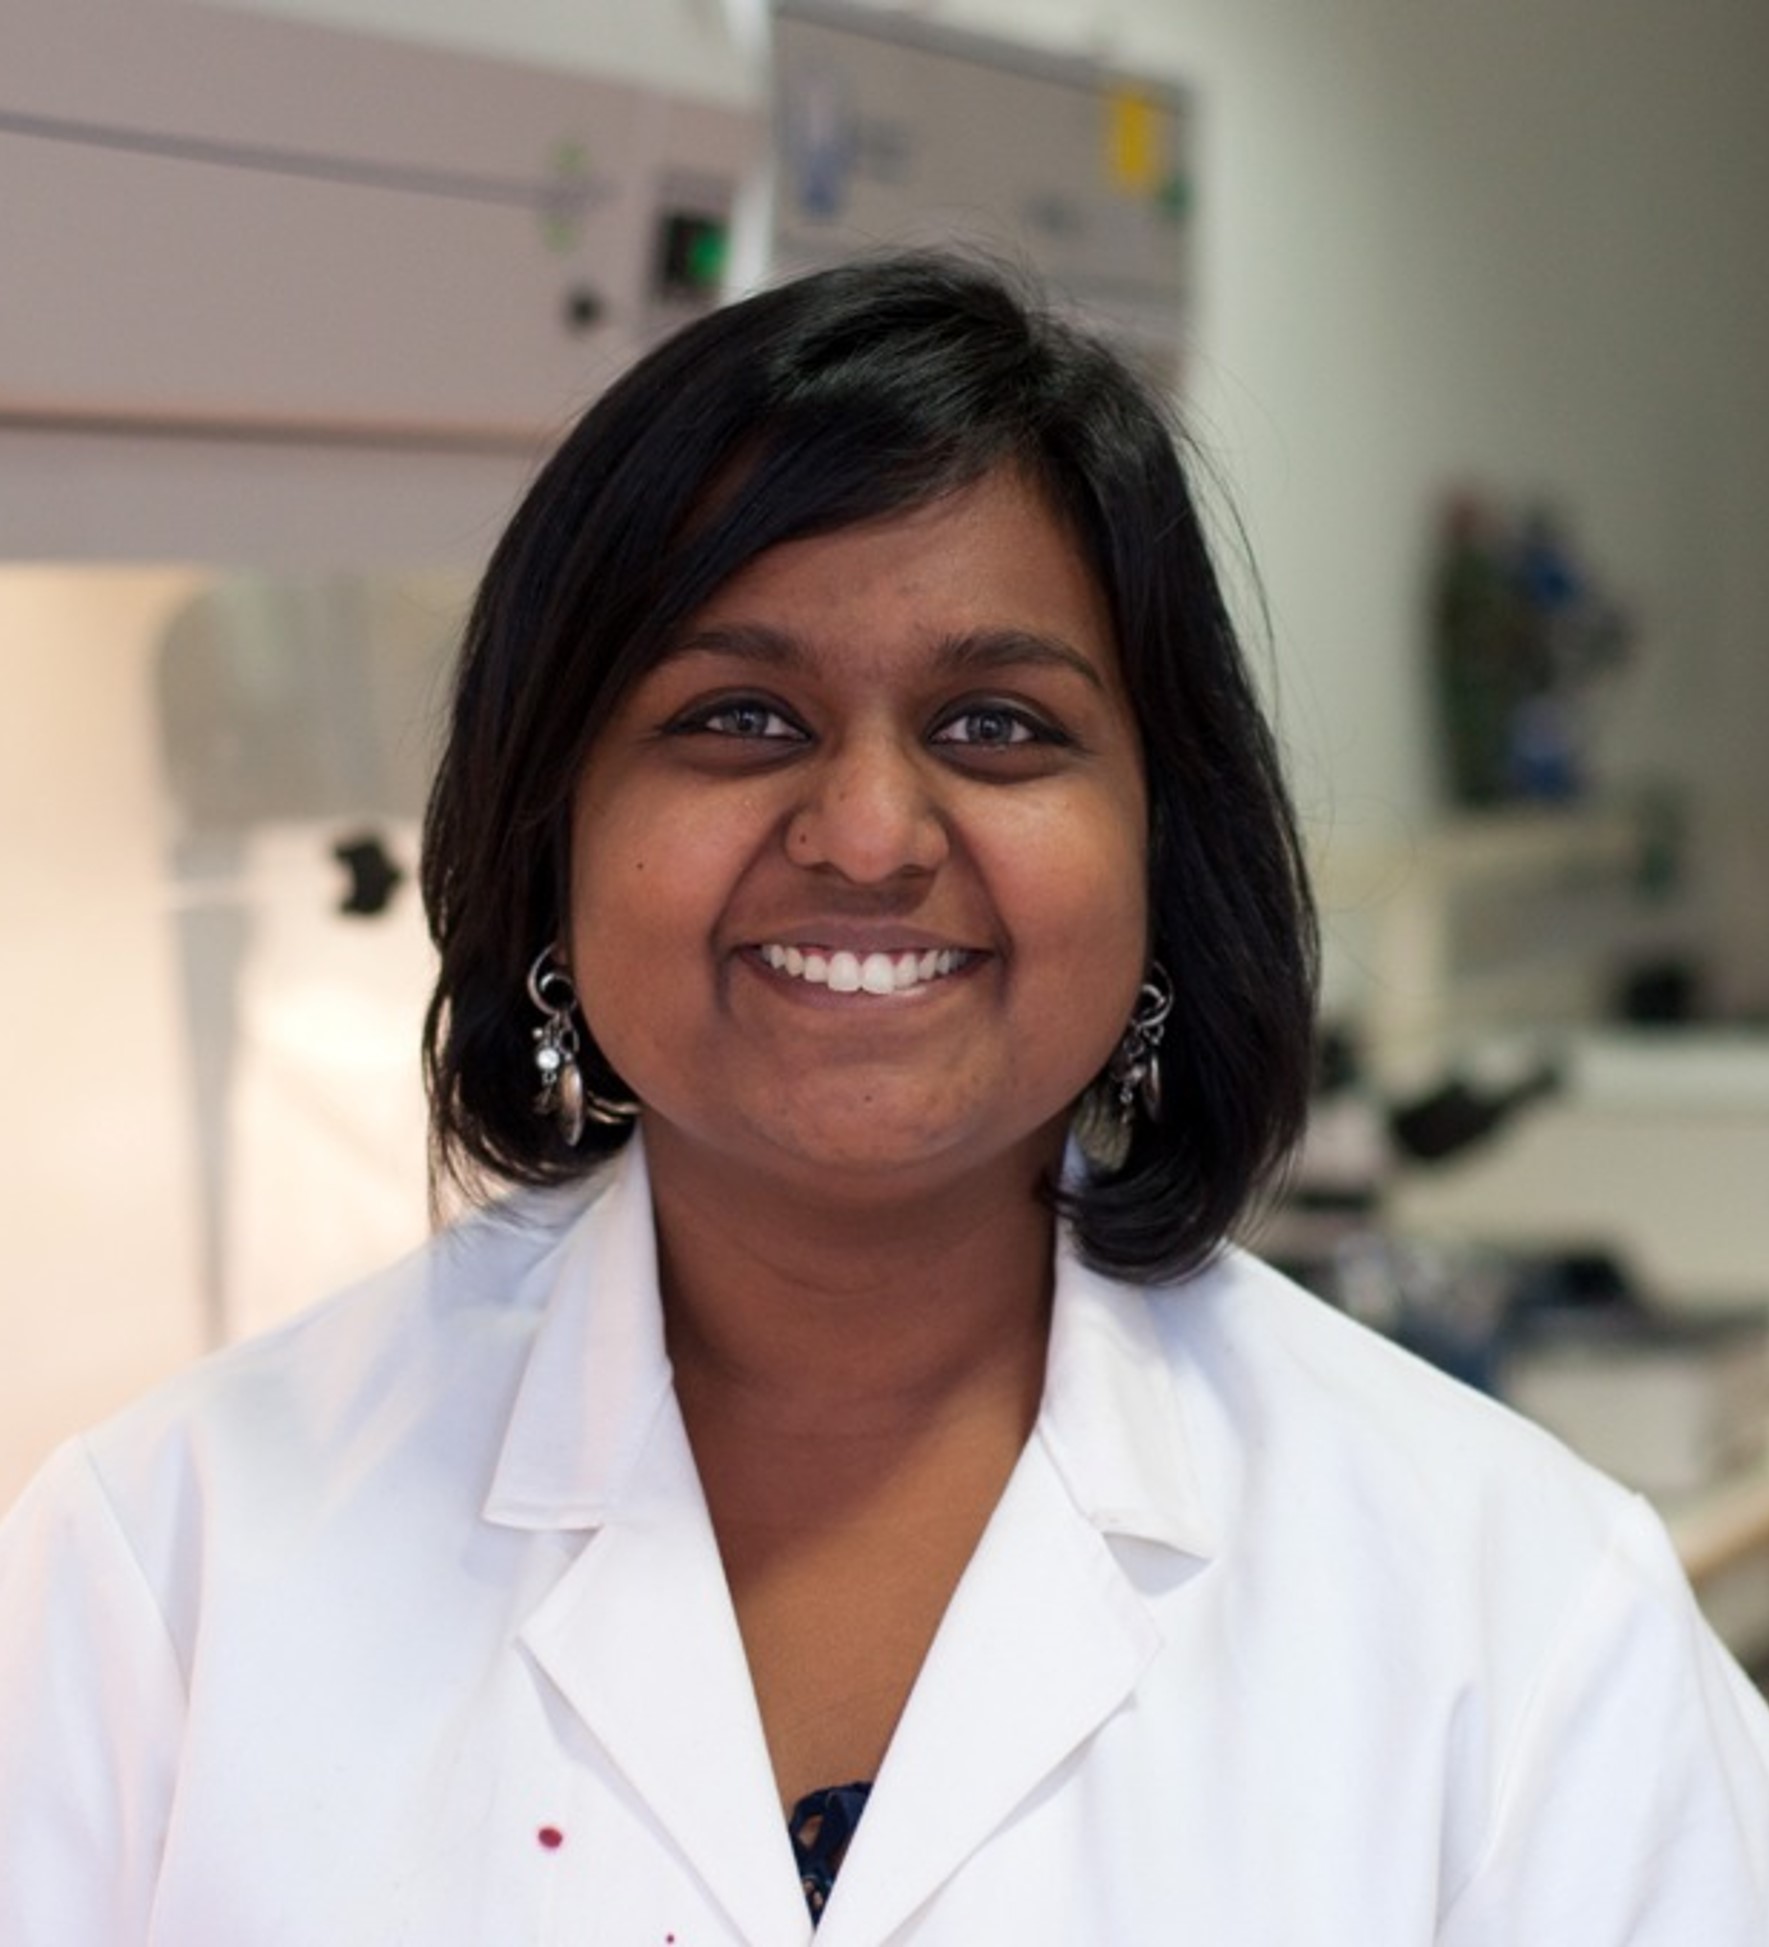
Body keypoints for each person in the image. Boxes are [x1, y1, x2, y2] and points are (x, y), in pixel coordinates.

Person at [1, 252, 1765, 1944]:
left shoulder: (1521, 1625)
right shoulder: (168, 1568)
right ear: (552, 835)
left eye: (995, 725)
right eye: (737, 717)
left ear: (1162, 845)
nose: (864, 835)